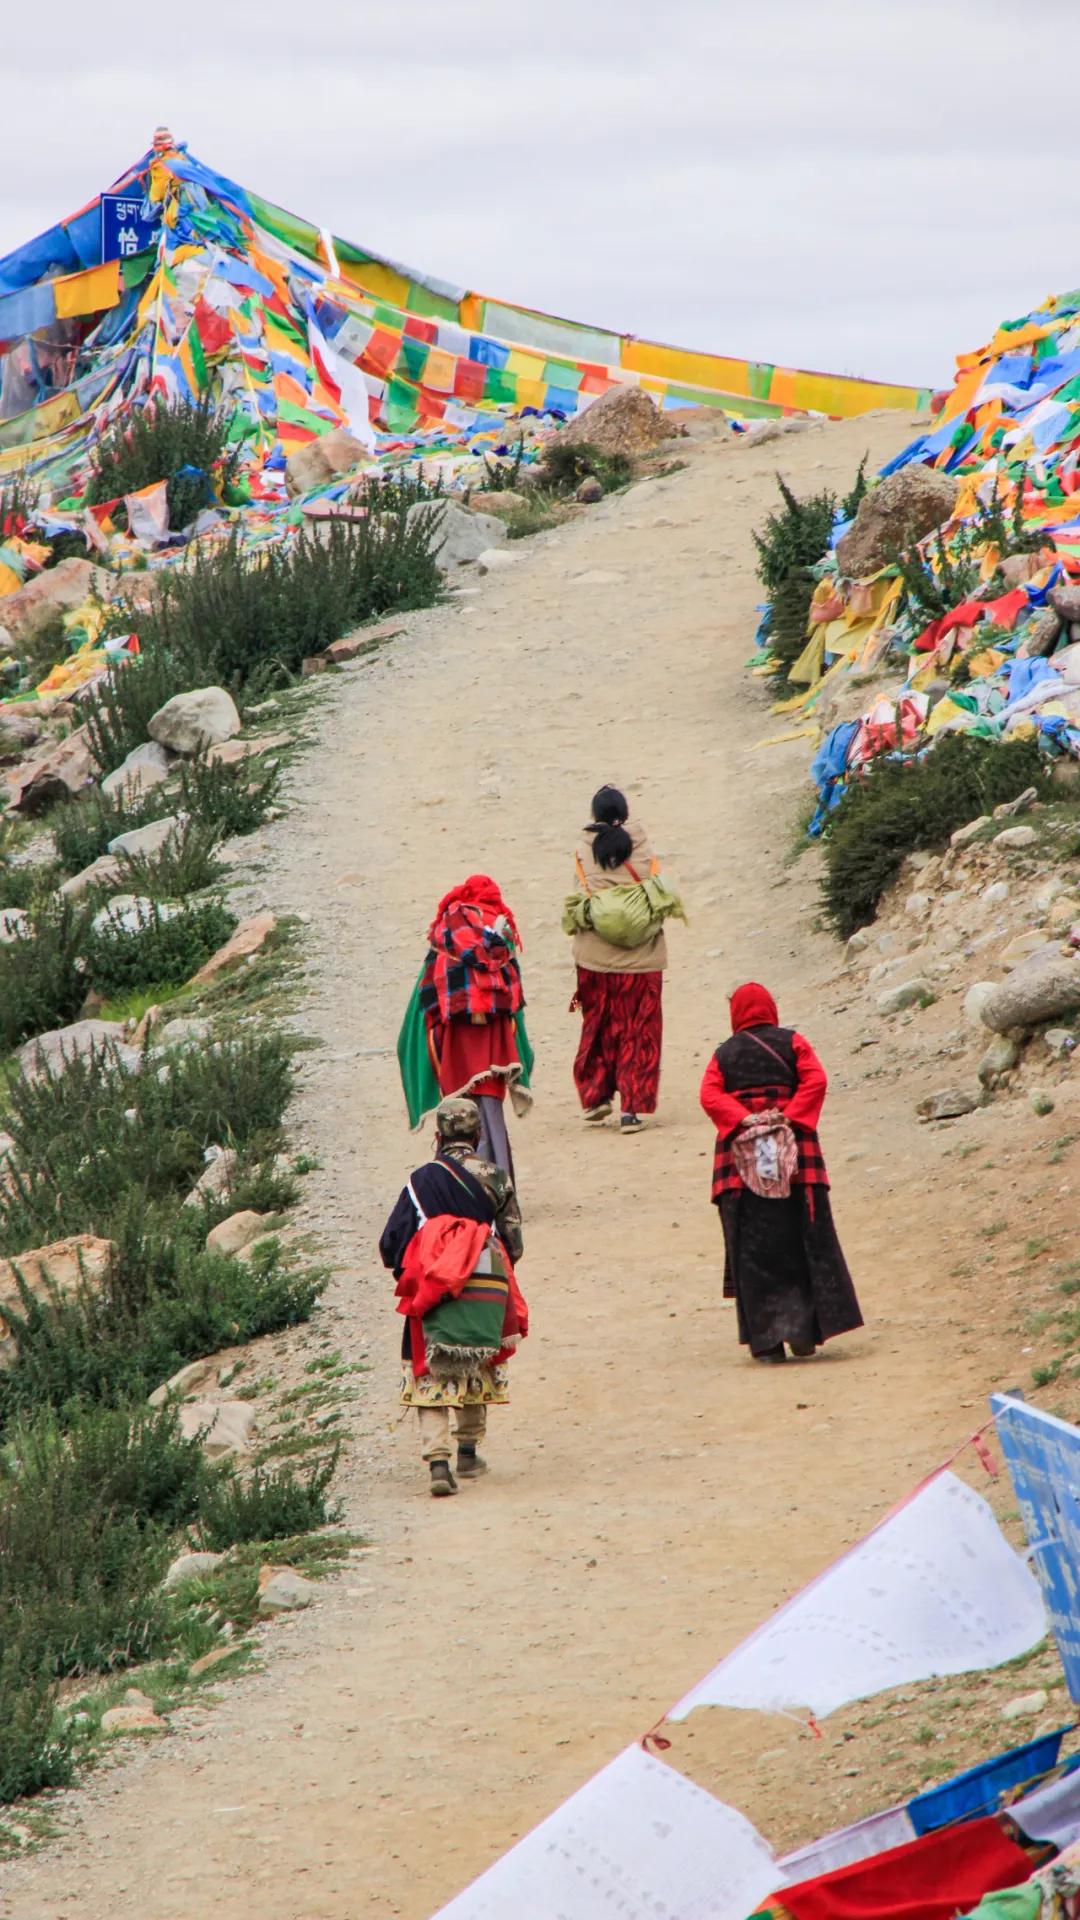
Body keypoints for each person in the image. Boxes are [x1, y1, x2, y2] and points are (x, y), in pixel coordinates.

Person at [699, 982, 863, 1363]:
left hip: (738, 1171)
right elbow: (816, 1080)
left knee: (754, 1253)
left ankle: (768, 1343)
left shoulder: (723, 1054)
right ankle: (804, 1332)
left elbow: (710, 1095)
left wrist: (744, 1119)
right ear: (770, 1009)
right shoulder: (794, 1043)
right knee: (803, 1240)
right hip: (798, 1162)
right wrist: (789, 1117)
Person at [379, 1096, 527, 1497]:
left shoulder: (420, 1181)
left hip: (434, 1279)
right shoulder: (496, 1177)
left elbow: (391, 1242)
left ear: (438, 1136)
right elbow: (513, 1241)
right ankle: (467, 1449)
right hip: (484, 1277)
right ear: (478, 1135)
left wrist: (410, 1268)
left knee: (430, 1366)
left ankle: (438, 1462)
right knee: (477, 1356)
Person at [396, 875, 533, 1180]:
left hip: (455, 1047)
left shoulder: (445, 940)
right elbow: (515, 1006)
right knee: (491, 1115)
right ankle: (497, 1183)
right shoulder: (501, 941)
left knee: (458, 1115)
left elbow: (424, 1004)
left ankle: (458, 1185)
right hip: (495, 1049)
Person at [567, 786, 680, 1134]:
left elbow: (577, 899)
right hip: (643, 961)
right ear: (625, 813)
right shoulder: (645, 849)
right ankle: (632, 1109)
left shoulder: (583, 852)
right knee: (639, 1031)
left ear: (594, 814)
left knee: (598, 1026)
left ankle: (596, 1098)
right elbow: (660, 891)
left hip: (595, 961)